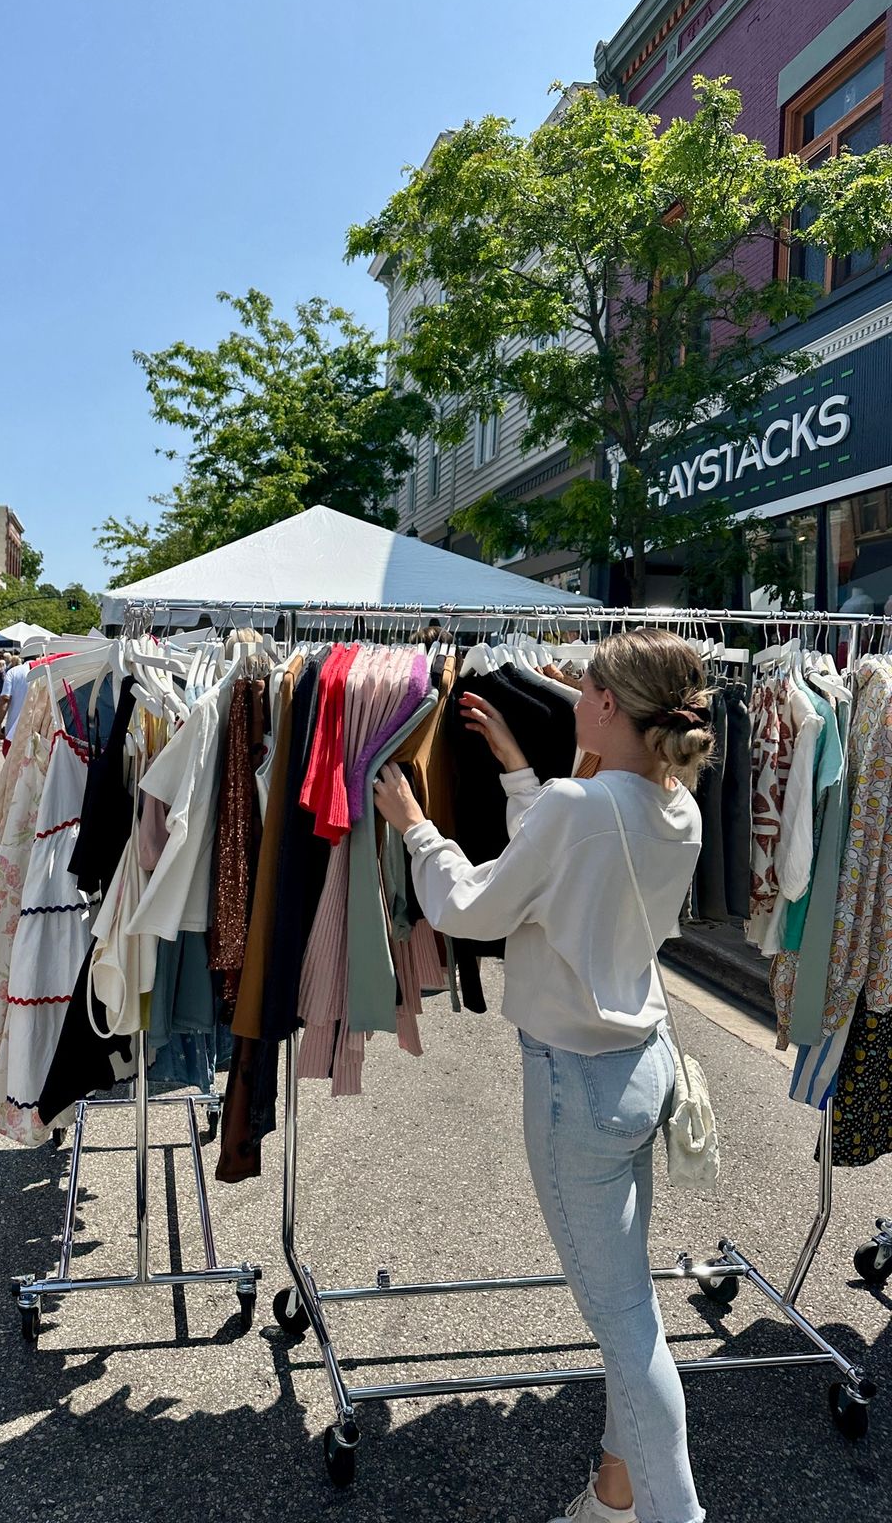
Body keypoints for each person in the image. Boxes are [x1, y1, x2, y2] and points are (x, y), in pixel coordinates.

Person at [374, 630, 712, 1523]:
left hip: (575, 1087)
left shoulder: (579, 806)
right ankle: (614, 1495)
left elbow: (472, 905)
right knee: (625, 1306)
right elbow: (566, 873)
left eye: (584, 686)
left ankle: (671, 1514)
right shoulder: (677, 807)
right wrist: (526, 775)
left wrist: (417, 830)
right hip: (640, 1069)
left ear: (605, 705)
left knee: (627, 1327)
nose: (571, 693)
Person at [0, 654, 31, 758]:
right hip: (42, 728)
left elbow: (5, 699)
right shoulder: (48, 670)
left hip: (15, 729)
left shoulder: (14, 672)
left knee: (14, 769)